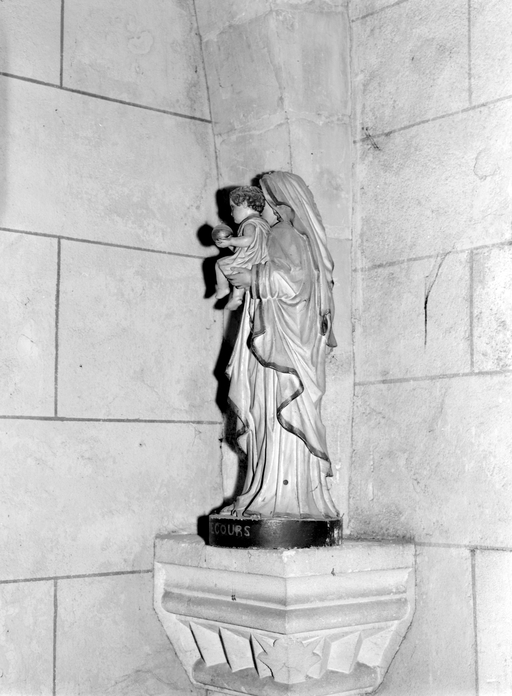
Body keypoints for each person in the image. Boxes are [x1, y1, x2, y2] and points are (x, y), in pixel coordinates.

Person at [222, 171, 339, 519]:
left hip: (283, 348)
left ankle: (279, 499)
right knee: (268, 419)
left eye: (265, 201)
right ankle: (265, 492)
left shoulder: (284, 234)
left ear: (278, 205)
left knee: (275, 416)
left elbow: (294, 282)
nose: (261, 209)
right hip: (277, 343)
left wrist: (253, 277)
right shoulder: (282, 236)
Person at [213, 186, 269, 311]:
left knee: (220, 264)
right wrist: (230, 244)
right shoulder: (263, 224)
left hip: (250, 260)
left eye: (233, 207)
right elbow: (246, 246)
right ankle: (236, 298)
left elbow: (248, 240)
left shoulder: (250, 223)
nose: (231, 213)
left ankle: (223, 289)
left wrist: (230, 241)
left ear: (244, 204)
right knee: (237, 272)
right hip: (259, 261)